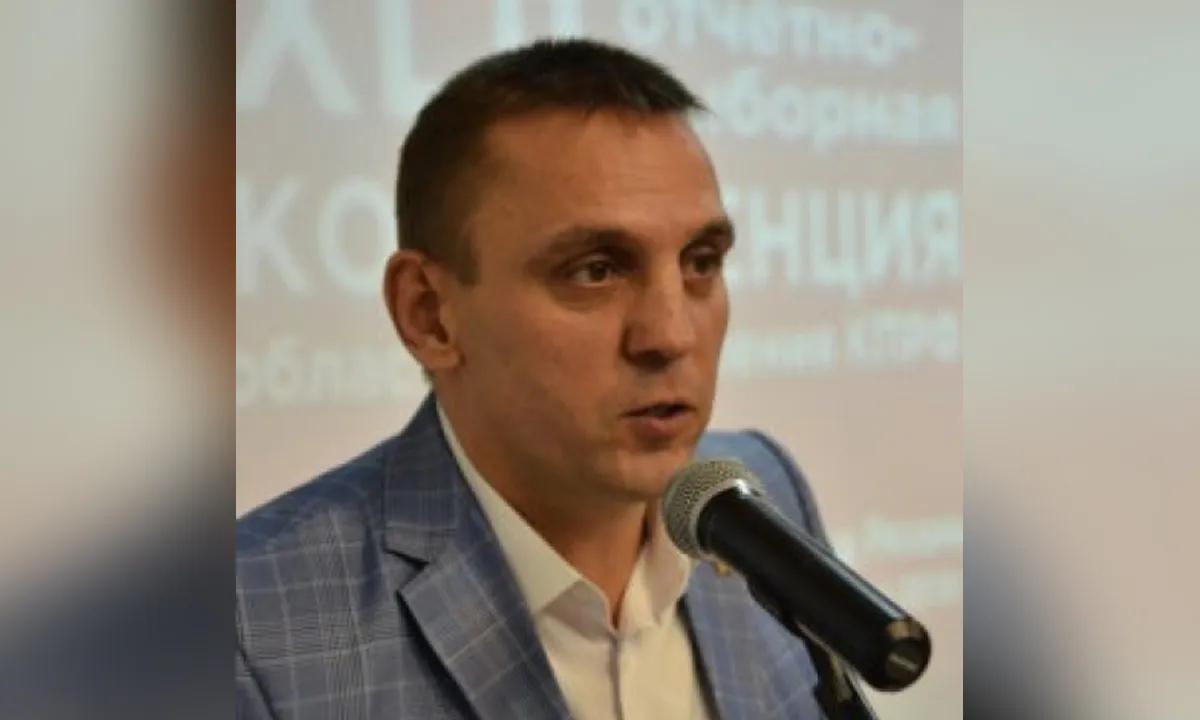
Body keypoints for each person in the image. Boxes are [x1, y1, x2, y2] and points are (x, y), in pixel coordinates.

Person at [237, 37, 830, 720]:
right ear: (429, 315)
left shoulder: (756, 492)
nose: (671, 335)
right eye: (596, 270)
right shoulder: (248, 631)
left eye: (700, 262)